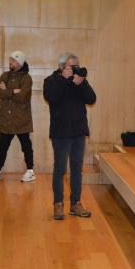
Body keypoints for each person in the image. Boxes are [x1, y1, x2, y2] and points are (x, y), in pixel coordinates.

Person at [43, 52, 96, 220]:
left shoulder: (80, 81)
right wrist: (64, 80)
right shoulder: (51, 80)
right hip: (61, 133)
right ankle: (58, 204)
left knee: (76, 170)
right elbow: (51, 97)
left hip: (79, 132)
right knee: (59, 170)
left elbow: (91, 99)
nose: (76, 69)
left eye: (77, 66)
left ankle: (76, 204)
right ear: (61, 67)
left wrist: (81, 84)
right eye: (72, 66)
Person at [0, 50, 35, 183]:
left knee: (26, 146)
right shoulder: (4, 75)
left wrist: (7, 91)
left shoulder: (27, 78)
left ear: (19, 62)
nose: (10, 62)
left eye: (12, 60)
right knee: (1, 147)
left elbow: (22, 96)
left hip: (22, 119)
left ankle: (30, 171)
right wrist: (12, 91)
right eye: (10, 60)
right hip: (6, 119)